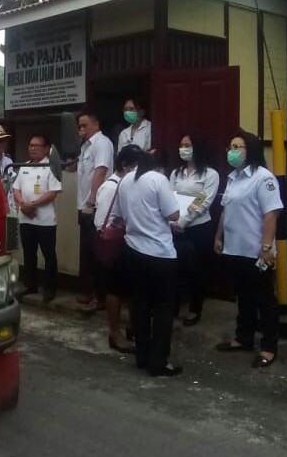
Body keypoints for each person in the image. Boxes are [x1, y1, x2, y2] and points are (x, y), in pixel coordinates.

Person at [214, 130, 284, 368]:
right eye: (230, 147)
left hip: (257, 250)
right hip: (235, 249)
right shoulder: (233, 177)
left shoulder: (263, 178)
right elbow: (226, 209)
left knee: (264, 299)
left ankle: (269, 347)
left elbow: (271, 214)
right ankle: (243, 337)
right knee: (243, 296)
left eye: (237, 147)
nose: (232, 151)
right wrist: (219, 236)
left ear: (250, 150)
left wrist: (267, 246)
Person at [112, 145, 183, 376]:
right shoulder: (158, 180)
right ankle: (158, 361)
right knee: (163, 309)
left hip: (133, 250)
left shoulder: (125, 180)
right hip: (160, 254)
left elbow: (119, 216)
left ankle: (142, 355)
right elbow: (174, 214)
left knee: (139, 304)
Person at [170, 134, 221, 327]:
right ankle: (173, 306)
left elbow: (203, 200)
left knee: (197, 270)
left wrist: (184, 220)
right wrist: (173, 221)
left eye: (188, 145)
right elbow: (168, 197)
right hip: (175, 227)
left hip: (199, 228)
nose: (183, 148)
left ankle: (195, 308)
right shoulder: (176, 173)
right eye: (181, 145)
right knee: (175, 268)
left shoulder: (210, 174)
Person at [11, 134, 61, 303]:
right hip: (26, 219)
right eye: (31, 145)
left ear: (46, 149)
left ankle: (50, 287)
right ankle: (30, 285)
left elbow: (52, 192)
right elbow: (16, 189)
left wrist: (32, 204)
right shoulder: (24, 166)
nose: (32, 148)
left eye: (36, 145)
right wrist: (22, 204)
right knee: (29, 253)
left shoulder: (50, 167)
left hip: (45, 221)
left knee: (48, 254)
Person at [73, 111, 115, 310]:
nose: (81, 129)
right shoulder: (85, 146)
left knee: (98, 253)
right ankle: (89, 292)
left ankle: (101, 296)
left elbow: (101, 172)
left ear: (96, 124)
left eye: (85, 125)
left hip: (95, 207)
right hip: (83, 206)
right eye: (79, 126)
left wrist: (91, 201)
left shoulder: (102, 143)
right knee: (87, 253)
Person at [94, 155, 135, 353]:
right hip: (115, 245)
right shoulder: (112, 187)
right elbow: (102, 221)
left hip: (128, 244)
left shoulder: (128, 185)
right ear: (126, 166)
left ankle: (131, 329)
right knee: (115, 289)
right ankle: (115, 333)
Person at [0, 124, 16, 214]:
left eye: (5, 140)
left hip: (9, 207)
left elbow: (11, 187)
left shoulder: (8, 161)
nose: (3, 144)